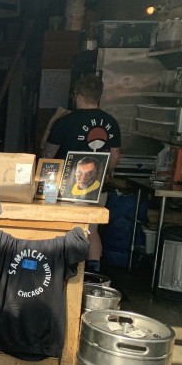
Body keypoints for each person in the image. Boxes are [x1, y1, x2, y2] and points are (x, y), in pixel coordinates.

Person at [43, 74, 121, 273]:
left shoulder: (65, 122)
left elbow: (49, 155)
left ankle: (62, 269)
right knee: (91, 228)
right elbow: (114, 156)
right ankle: (92, 272)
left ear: (79, 95)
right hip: (97, 187)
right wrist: (106, 174)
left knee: (62, 227)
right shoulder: (110, 121)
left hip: (65, 185)